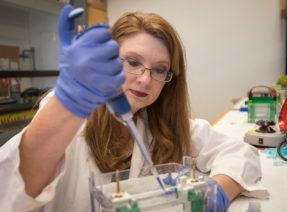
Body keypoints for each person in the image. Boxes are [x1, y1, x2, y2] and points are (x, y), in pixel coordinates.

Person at [0, 4, 268, 212]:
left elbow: (240, 152)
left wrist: (216, 195)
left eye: (159, 69)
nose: (144, 79)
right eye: (132, 61)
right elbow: (14, 189)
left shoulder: (157, 123)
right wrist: (70, 100)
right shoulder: (69, 115)